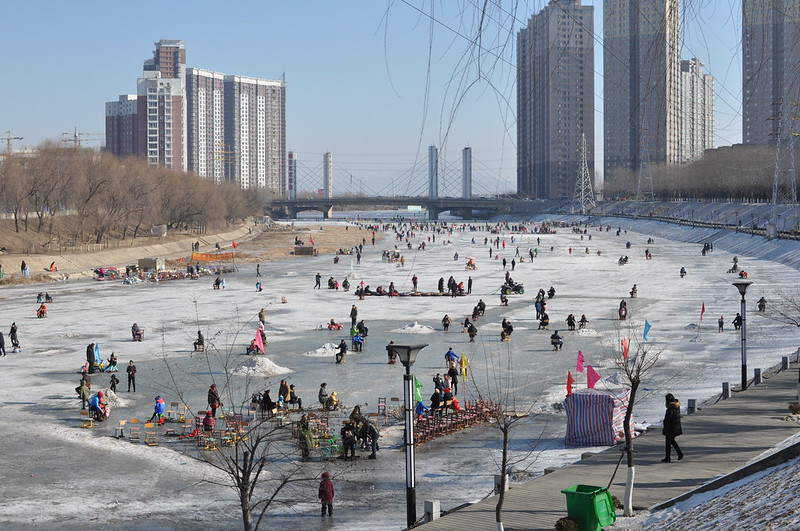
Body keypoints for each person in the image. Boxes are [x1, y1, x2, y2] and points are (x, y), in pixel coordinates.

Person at [662, 393, 684, 462]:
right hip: (675, 427)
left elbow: (668, 420)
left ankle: (670, 457)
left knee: (669, 442)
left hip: (671, 429)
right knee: (671, 441)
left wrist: (665, 426)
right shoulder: (676, 407)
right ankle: (675, 455)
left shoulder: (670, 409)